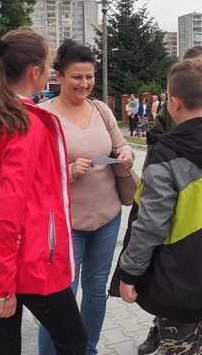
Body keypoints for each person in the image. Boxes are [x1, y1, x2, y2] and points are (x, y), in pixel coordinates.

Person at [0, 28, 87, 355]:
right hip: (29, 258)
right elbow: (11, 209)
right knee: (74, 340)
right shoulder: (25, 124)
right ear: (35, 73)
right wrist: (4, 282)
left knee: (3, 347)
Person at [116, 58, 202, 355]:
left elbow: (151, 224)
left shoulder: (165, 154)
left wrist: (129, 272)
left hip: (177, 279)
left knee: (178, 348)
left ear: (172, 103)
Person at [38, 41, 135, 355]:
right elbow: (30, 174)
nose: (84, 84)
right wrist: (66, 171)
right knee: (61, 296)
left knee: (95, 290)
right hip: (66, 223)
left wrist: (126, 153)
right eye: (77, 77)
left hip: (106, 217)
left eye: (89, 77)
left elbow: (120, 145)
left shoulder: (101, 109)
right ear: (59, 76)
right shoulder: (42, 116)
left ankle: (86, 350)